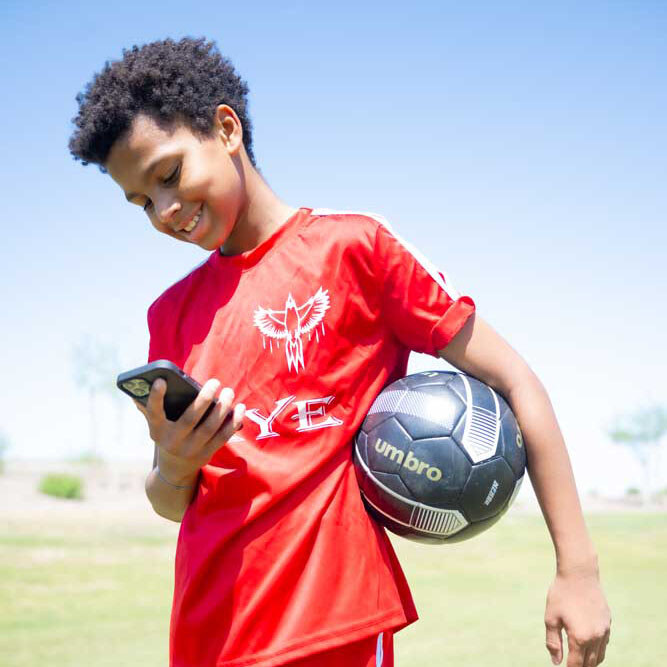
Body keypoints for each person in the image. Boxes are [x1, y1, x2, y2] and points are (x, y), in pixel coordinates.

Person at [69, 37, 611, 667]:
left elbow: (520, 384)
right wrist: (176, 462)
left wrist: (579, 569)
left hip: (332, 628)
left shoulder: (356, 250)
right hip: (205, 631)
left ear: (225, 128)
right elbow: (170, 502)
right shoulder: (171, 316)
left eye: (168, 175)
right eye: (142, 202)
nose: (164, 211)